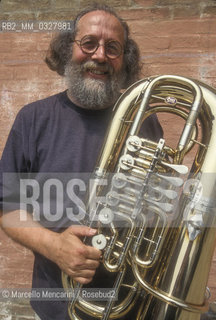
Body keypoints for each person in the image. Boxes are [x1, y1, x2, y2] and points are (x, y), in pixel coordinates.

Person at [0, 4, 163, 320]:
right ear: (67, 49)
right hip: (59, 306)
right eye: (88, 43)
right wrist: (54, 246)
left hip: (134, 305)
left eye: (112, 48)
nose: (100, 56)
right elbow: (8, 208)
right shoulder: (33, 119)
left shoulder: (145, 121)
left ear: (124, 59)